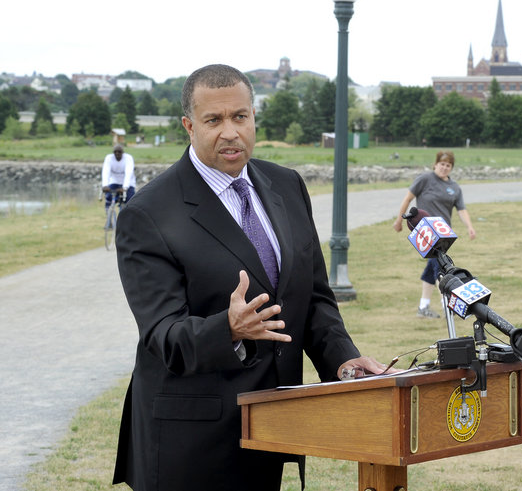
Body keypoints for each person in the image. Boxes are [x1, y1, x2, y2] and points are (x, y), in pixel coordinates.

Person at [112, 64, 386, 491]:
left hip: (272, 426)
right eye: (214, 120)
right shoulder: (147, 214)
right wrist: (229, 329)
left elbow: (311, 297)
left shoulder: (286, 185)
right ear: (189, 125)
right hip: (189, 444)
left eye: (240, 117)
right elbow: (163, 334)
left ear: (254, 118)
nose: (230, 132)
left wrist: (343, 361)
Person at [392, 150, 476, 318]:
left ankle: (423, 307)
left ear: (451, 167)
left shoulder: (454, 188)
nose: (444, 168)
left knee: (433, 268)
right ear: (435, 164)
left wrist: (470, 226)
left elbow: (461, 210)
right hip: (425, 233)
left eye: (448, 165)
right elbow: (408, 199)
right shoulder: (425, 180)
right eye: (442, 164)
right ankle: (447, 307)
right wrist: (399, 220)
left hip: (444, 234)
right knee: (441, 268)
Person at [102, 144, 136, 208]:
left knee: (130, 200)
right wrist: (105, 185)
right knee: (108, 196)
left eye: (119, 152)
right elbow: (106, 172)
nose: (117, 154)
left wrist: (125, 187)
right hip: (114, 181)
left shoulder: (128, 158)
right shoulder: (109, 158)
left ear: (123, 152)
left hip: (128, 183)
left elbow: (128, 173)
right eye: (115, 152)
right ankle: (109, 212)